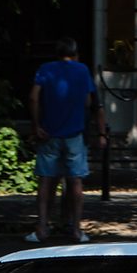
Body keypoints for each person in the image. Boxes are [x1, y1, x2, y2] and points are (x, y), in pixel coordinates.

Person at [27, 38, 104, 246]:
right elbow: (89, 101)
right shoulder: (82, 70)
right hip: (74, 134)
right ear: (75, 52)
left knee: (45, 180)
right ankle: (77, 230)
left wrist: (36, 125)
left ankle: (42, 228)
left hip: (49, 134)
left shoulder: (45, 69)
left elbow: (34, 97)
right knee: (75, 181)